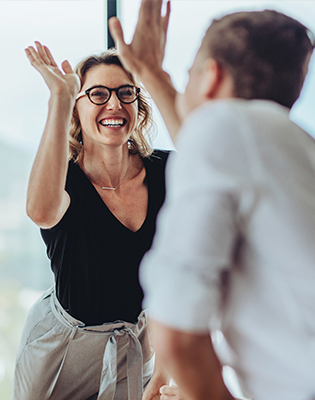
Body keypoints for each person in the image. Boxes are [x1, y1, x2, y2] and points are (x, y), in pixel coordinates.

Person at [109, 1, 315, 399]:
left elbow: (176, 330)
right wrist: (152, 73)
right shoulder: (292, 145)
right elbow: (209, 142)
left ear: (211, 76)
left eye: (187, 76)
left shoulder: (226, 127)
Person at [13, 41, 173, 400]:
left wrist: (163, 374)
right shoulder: (62, 179)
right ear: (76, 109)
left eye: (125, 93)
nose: (114, 104)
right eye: (98, 94)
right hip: (61, 349)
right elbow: (41, 212)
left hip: (134, 344)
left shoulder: (167, 171)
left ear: (137, 105)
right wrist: (60, 97)